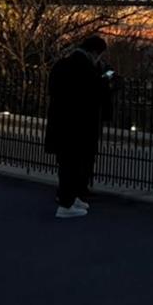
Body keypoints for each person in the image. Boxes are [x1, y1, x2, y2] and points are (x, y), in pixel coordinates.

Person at [44, 35, 108, 218]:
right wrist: (105, 79)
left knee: (66, 163)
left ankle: (71, 198)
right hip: (77, 125)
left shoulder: (62, 64)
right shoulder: (85, 68)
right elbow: (94, 93)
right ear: (95, 52)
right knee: (73, 165)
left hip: (61, 122)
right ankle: (66, 204)